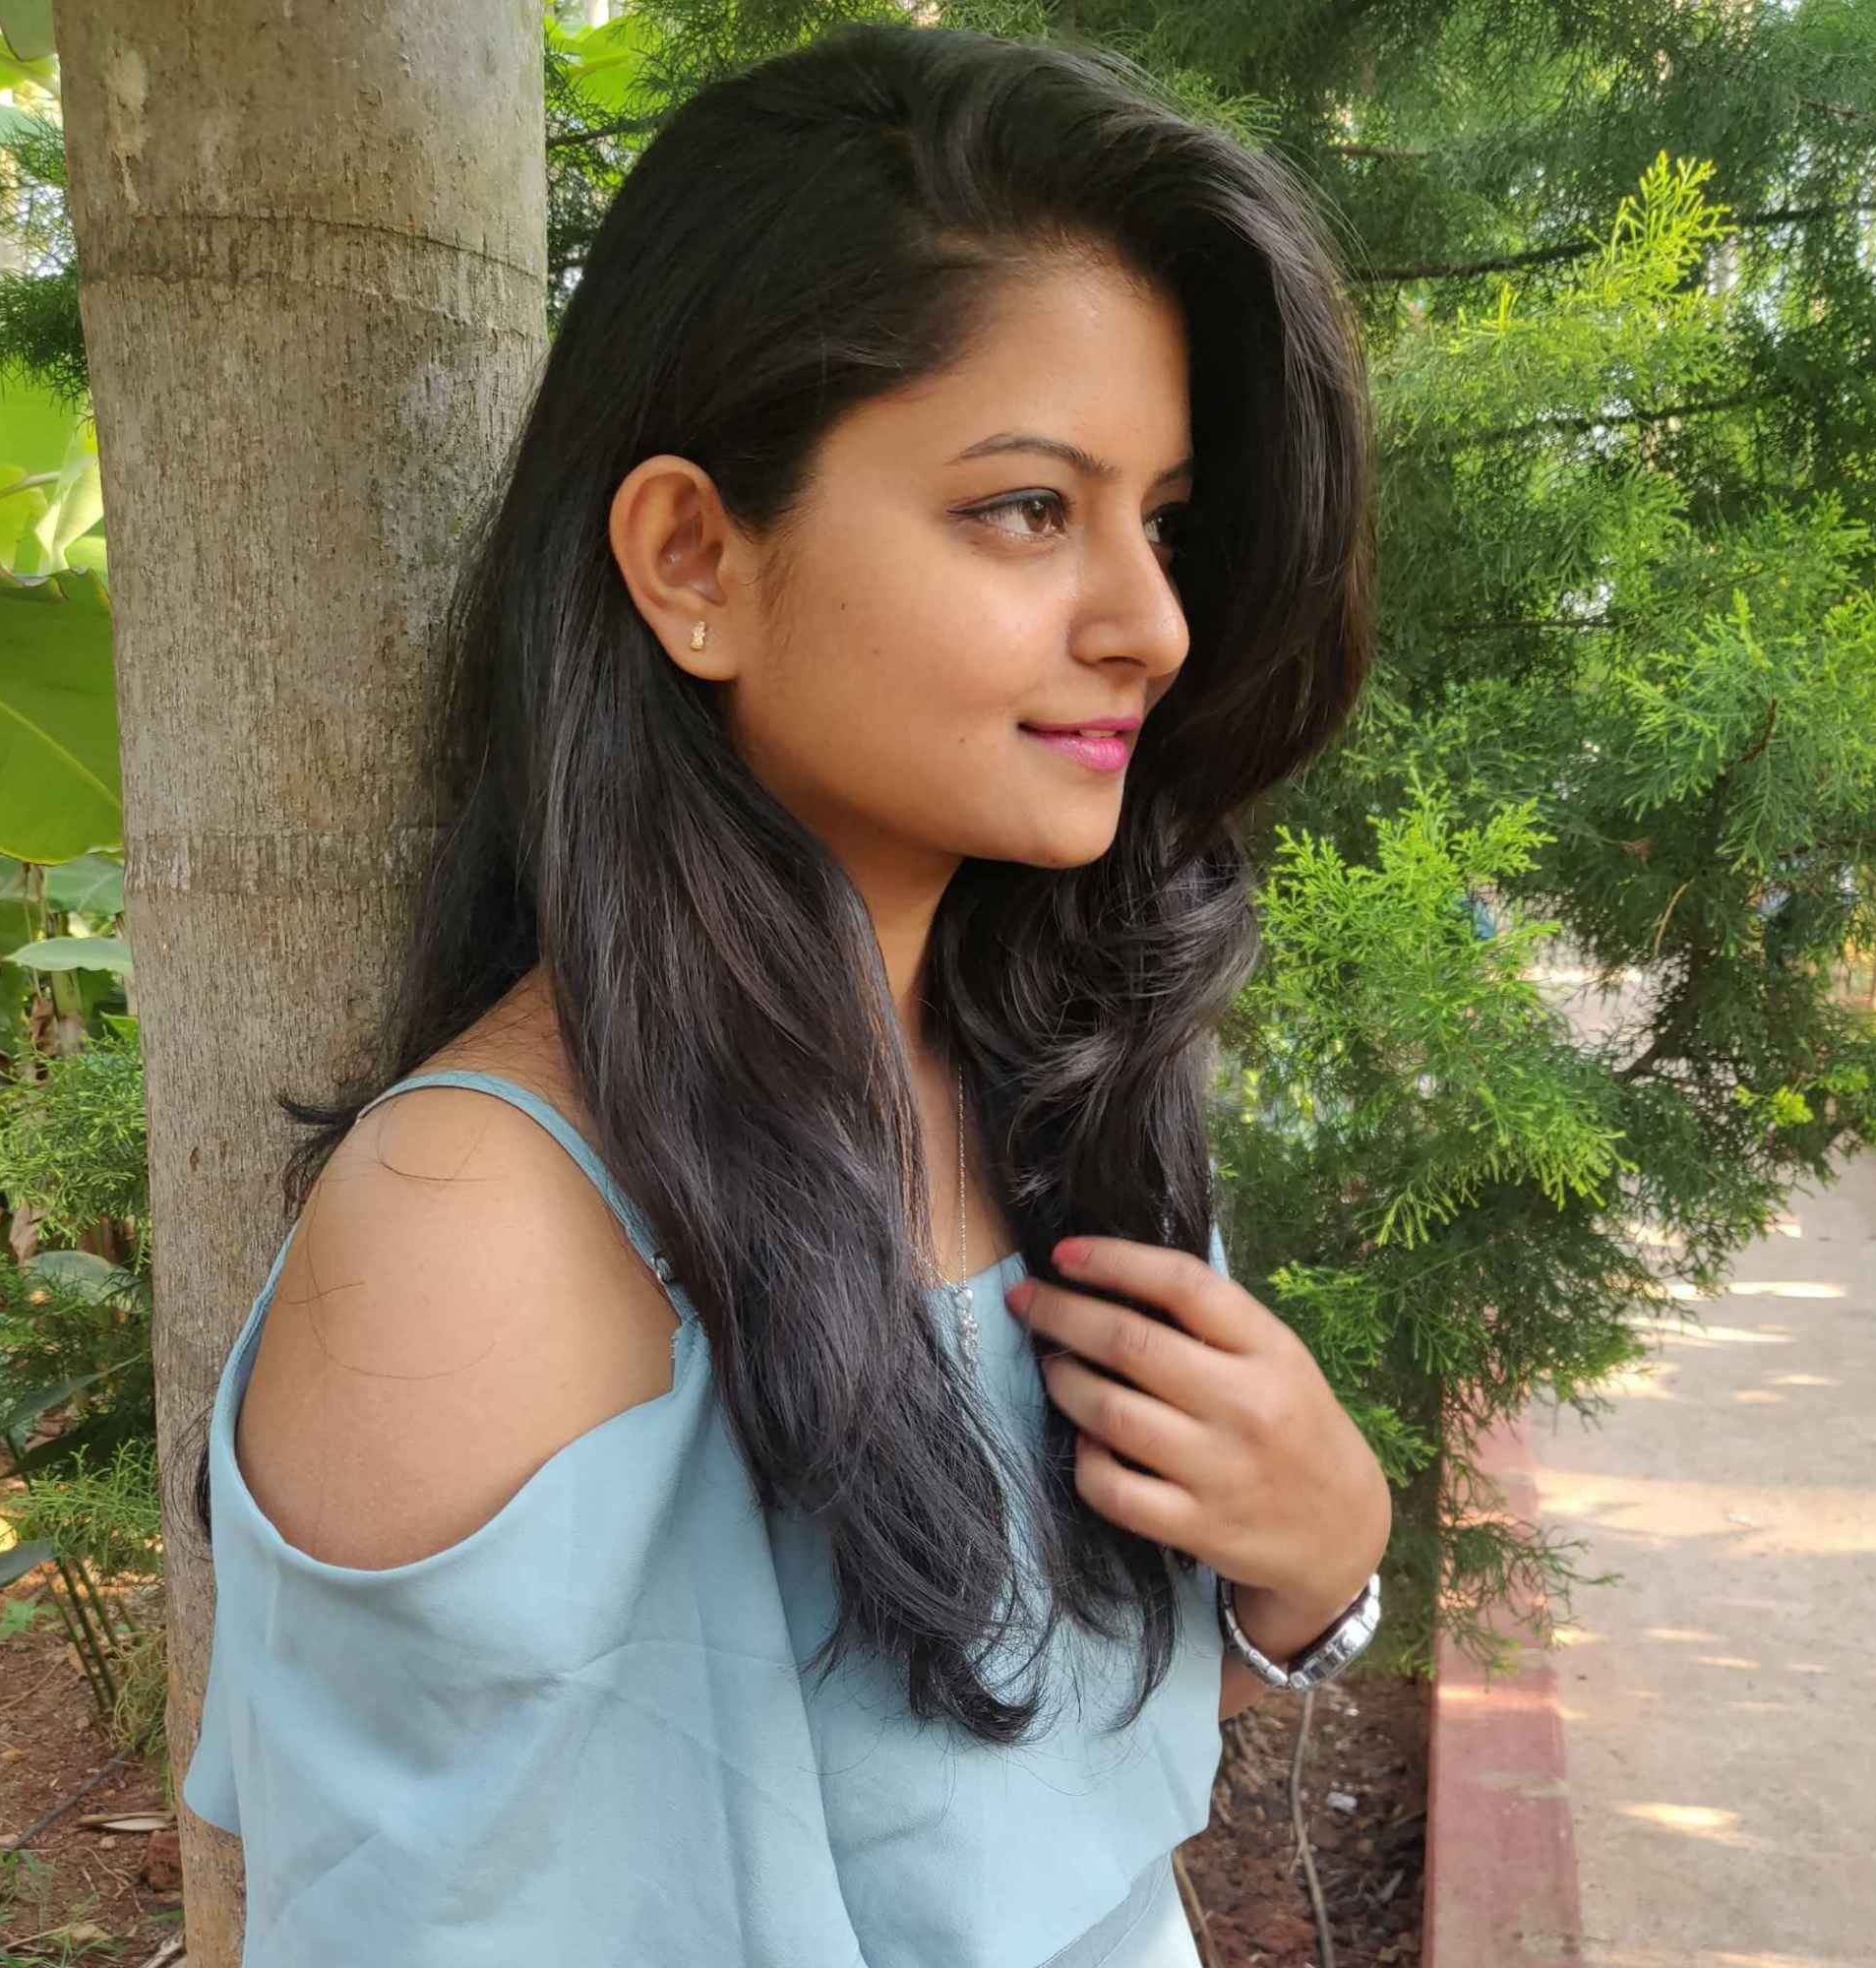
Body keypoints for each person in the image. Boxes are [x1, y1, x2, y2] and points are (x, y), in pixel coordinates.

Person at [179, 22, 1386, 1964]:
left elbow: (1042, 1798)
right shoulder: (488, 1244)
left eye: (1161, 522)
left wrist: (1318, 1565)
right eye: (1026, 507)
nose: (1153, 623)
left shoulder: (1044, 1085)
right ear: (694, 560)